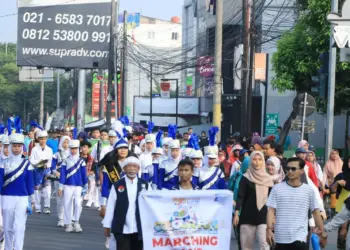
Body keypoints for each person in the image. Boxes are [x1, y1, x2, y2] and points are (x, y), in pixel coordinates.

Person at [266, 157, 327, 250]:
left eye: (293, 169)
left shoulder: (309, 190)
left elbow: (315, 212)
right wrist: (269, 230)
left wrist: (322, 232)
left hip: (300, 238)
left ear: (302, 171)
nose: (290, 171)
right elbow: (271, 211)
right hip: (280, 238)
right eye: (288, 168)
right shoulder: (277, 189)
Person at [103, 156, 148, 250]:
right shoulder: (117, 185)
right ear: (124, 168)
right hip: (122, 227)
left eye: (134, 166)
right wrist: (107, 225)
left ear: (138, 169)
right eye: (129, 166)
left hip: (139, 227)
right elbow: (111, 206)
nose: (132, 169)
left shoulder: (145, 185)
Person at [0, 133, 34, 250]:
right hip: (6, 197)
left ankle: (18, 248)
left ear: (22, 147)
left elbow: (30, 183)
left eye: (19, 146)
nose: (16, 148)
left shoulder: (27, 164)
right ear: (10, 146)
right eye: (14, 146)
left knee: (19, 227)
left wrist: (32, 199)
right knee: (7, 227)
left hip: (22, 198)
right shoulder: (3, 164)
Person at [233, 151, 273, 250]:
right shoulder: (246, 178)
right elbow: (240, 196)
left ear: (263, 161)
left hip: (263, 216)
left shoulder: (268, 179)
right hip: (247, 216)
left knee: (265, 244)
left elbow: (272, 199)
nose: (257, 162)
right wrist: (236, 213)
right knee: (246, 246)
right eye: (254, 160)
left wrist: (274, 216)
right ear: (251, 161)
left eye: (260, 160)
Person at [58, 139, 88, 233]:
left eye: (75, 148)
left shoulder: (81, 161)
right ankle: (68, 223)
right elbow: (62, 174)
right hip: (67, 185)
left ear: (78, 149)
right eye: (72, 148)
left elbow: (84, 174)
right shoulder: (65, 161)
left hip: (78, 185)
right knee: (67, 204)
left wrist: (85, 185)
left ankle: (76, 221)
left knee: (78, 203)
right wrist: (60, 186)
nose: (73, 150)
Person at [29, 130, 53, 214]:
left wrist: (46, 165)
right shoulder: (34, 149)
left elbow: (50, 160)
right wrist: (38, 164)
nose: (43, 141)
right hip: (37, 171)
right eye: (41, 139)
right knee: (37, 189)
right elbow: (31, 159)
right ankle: (38, 207)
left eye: (44, 139)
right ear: (38, 139)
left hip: (46, 170)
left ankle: (47, 206)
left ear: (46, 139)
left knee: (47, 189)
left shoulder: (49, 150)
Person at [50, 135, 70, 227]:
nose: (66, 144)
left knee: (69, 199)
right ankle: (60, 218)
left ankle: (68, 218)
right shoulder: (57, 154)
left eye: (67, 142)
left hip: (69, 179)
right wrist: (55, 172)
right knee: (60, 199)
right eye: (64, 142)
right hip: (58, 178)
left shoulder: (73, 154)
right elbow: (52, 166)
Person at [330, 157, 350, 249]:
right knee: (343, 228)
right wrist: (337, 183)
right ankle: (341, 247)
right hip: (343, 204)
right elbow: (332, 190)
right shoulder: (341, 175)